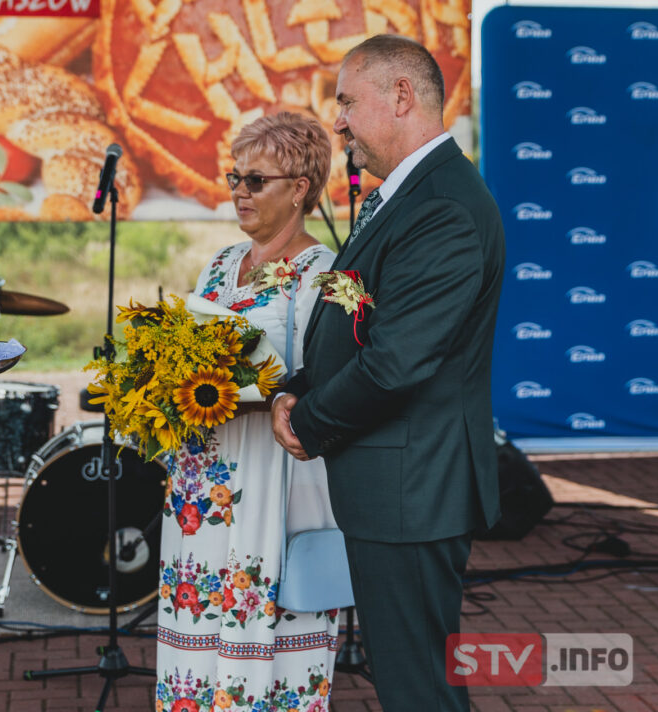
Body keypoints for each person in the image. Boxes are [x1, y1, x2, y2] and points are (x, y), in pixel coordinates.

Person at [272, 35, 505, 711]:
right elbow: (361, 322)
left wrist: (308, 424)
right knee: (410, 679)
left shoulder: (444, 209)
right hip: (395, 487)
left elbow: (399, 359)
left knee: (418, 688)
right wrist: (300, 388)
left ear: (402, 96)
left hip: (413, 489)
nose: (337, 121)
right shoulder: (408, 195)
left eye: (346, 101)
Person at [156, 112, 339, 711]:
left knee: (268, 624)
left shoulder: (328, 274)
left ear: (301, 188)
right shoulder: (220, 261)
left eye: (256, 180)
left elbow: (336, 378)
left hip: (271, 473)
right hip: (199, 479)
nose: (238, 190)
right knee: (197, 622)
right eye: (235, 176)